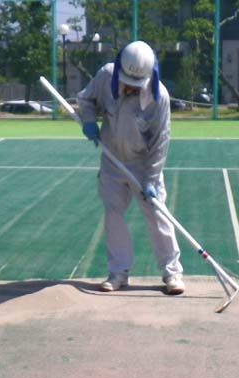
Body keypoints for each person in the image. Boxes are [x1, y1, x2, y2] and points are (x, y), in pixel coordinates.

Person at [77, 41, 185, 295]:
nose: (129, 87)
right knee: (113, 215)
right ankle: (118, 273)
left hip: (143, 165)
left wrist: (151, 178)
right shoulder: (105, 76)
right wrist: (89, 121)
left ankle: (172, 273)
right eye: (125, 81)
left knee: (158, 216)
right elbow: (86, 99)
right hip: (112, 161)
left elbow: (161, 141)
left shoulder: (160, 98)